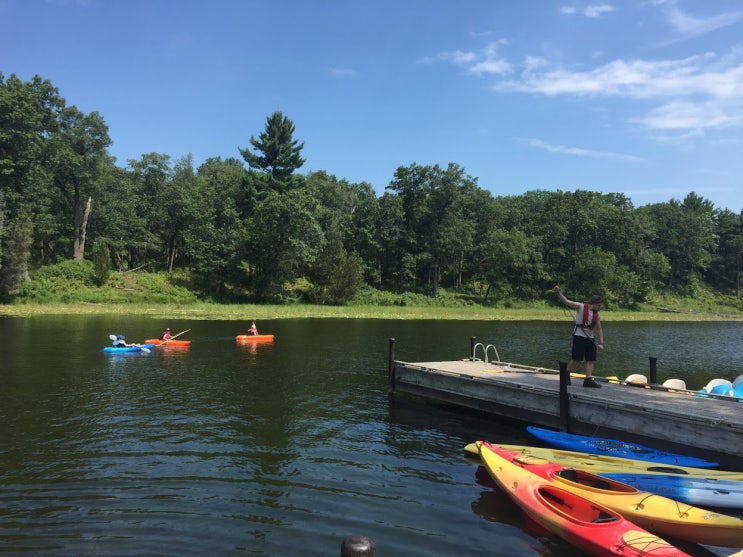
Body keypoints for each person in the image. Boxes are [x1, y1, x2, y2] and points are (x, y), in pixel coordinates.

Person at [553, 286, 605, 388]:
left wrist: (601, 343)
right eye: (599, 305)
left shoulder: (596, 315)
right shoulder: (580, 306)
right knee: (577, 358)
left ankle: (588, 380)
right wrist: (558, 293)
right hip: (579, 336)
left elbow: (599, 329)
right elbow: (567, 302)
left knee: (591, 359)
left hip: (590, 339)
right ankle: (566, 374)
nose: (600, 307)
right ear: (594, 303)